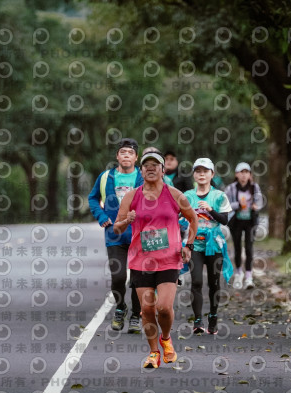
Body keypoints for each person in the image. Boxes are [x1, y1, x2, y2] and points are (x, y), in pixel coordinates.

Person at [113, 151, 197, 368]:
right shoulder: (132, 196)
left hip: (169, 259)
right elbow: (116, 227)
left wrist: (189, 245)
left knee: (164, 308)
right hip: (141, 260)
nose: (150, 168)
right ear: (141, 171)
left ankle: (166, 339)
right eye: (146, 165)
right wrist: (126, 221)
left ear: (163, 170)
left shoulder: (175, 195)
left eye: (155, 165)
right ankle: (153, 353)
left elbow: (193, 219)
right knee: (147, 309)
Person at [88, 138, 143, 333]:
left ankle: (136, 315)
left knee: (139, 279)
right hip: (115, 235)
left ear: (136, 157)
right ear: (117, 156)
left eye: (130, 152)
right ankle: (120, 308)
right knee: (118, 276)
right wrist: (101, 216)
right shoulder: (105, 177)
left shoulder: (143, 178)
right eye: (123, 152)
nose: (126, 155)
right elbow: (93, 198)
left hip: (139, 236)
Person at [184, 158, 233, 335]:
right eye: (198, 171)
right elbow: (180, 219)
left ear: (212, 174)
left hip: (214, 245)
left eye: (205, 171)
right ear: (194, 175)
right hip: (194, 244)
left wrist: (210, 210)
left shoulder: (219, 196)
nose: (201, 174)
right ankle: (197, 320)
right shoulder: (188, 196)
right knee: (196, 281)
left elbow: (225, 220)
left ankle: (213, 315)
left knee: (214, 283)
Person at [225, 162, 263, 289]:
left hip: (250, 221)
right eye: (241, 172)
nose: (244, 175)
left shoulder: (254, 187)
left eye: (246, 172)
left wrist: (255, 206)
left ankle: (249, 276)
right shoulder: (231, 188)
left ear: (250, 174)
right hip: (236, 221)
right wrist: (238, 206)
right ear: (236, 174)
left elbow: (260, 202)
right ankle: (238, 273)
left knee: (249, 248)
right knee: (237, 248)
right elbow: (226, 204)